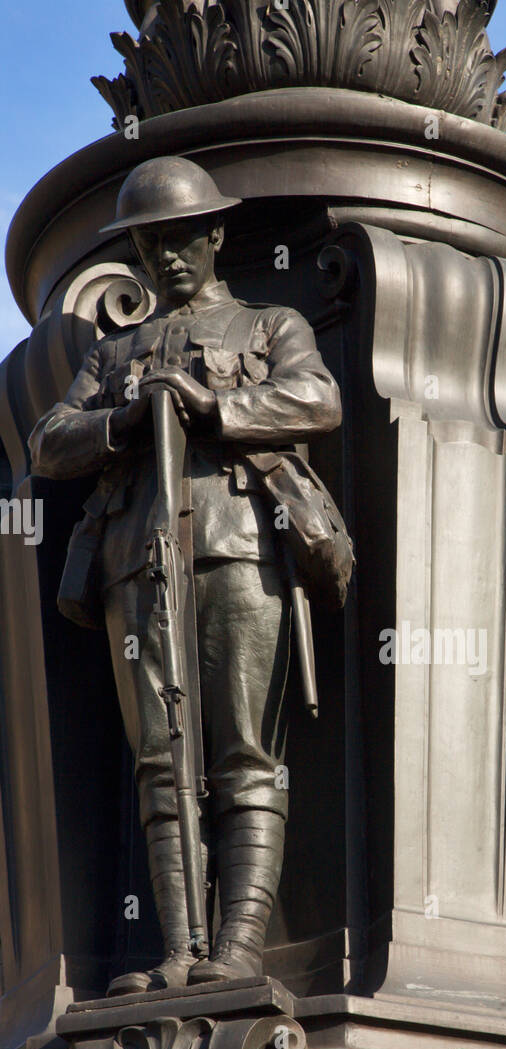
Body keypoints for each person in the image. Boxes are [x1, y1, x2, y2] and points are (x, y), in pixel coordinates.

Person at [29, 156, 344, 995]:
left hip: (242, 549)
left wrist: (217, 409)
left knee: (244, 756)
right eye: (147, 244)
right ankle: (176, 952)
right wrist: (124, 419)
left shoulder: (271, 325)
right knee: (159, 763)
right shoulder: (115, 352)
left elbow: (319, 401)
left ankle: (237, 947)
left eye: (179, 239)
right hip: (136, 563)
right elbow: (49, 442)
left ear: (214, 235)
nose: (165, 257)